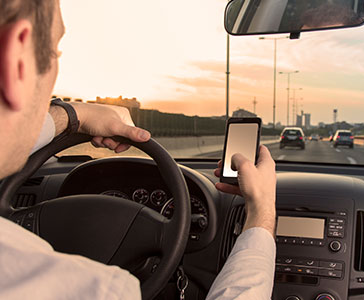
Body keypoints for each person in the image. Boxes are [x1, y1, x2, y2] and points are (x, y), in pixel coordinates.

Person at [0, 0, 276, 299]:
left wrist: (73, 116)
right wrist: (261, 212)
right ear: (18, 58)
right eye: (55, 52)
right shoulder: (95, 289)